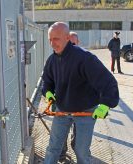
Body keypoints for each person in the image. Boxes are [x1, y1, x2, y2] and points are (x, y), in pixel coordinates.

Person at [42, 22, 119, 164]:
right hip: (62, 110)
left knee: (81, 151)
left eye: (56, 39)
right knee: (53, 148)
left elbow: (108, 82)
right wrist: (47, 92)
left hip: (85, 110)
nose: (52, 43)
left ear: (67, 38)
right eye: (50, 39)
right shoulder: (52, 60)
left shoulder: (85, 58)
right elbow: (47, 80)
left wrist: (105, 105)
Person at [58, 31, 80, 162]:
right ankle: (61, 154)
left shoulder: (86, 58)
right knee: (62, 131)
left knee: (78, 131)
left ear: (77, 43)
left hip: (80, 104)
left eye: (73, 43)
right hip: (63, 103)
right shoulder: (58, 58)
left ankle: (78, 150)